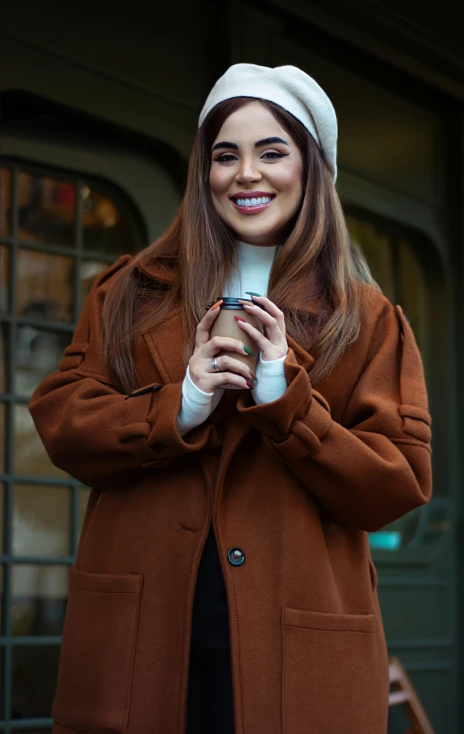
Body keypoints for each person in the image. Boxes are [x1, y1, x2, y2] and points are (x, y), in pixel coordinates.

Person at [29, 63, 432, 734]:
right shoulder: (129, 290)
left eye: (272, 151)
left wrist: (286, 400)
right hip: (142, 638)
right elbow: (62, 420)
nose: (246, 173)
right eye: (225, 154)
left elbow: (398, 481)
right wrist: (178, 404)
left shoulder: (367, 318)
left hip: (300, 650)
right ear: (204, 172)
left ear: (312, 169)